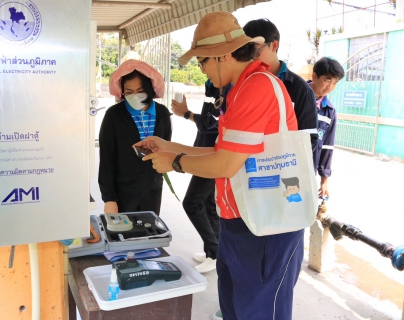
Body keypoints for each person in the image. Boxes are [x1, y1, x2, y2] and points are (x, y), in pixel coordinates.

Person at [134, 12, 309, 320]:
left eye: (202, 61)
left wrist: (175, 162)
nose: (201, 69)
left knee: (258, 312)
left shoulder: (257, 87)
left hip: (266, 226)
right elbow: (221, 152)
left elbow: (225, 164)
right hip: (239, 221)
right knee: (234, 309)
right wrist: (169, 146)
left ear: (223, 55)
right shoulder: (238, 89)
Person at [170, 80, 232, 273]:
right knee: (207, 204)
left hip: (213, 155)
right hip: (204, 151)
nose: (203, 69)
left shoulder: (229, 90)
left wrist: (186, 113)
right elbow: (207, 122)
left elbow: (210, 124)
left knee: (192, 202)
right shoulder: (215, 87)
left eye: (204, 62)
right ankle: (214, 252)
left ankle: (214, 252)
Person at [98, 60, 172, 215]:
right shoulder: (114, 116)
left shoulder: (162, 114)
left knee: (149, 234)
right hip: (123, 193)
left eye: (140, 91)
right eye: (129, 92)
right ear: (122, 92)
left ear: (150, 89)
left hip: (153, 190)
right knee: (124, 236)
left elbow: (167, 149)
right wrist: (109, 199)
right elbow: (106, 159)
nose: (135, 96)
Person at [243, 19, 318, 153]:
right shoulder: (243, 85)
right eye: (245, 52)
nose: (251, 58)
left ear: (274, 45)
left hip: (282, 168)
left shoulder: (301, 90)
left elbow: (309, 140)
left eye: (255, 50)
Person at [308, 57, 345, 199]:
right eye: (328, 80)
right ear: (315, 76)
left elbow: (327, 146)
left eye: (335, 82)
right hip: (285, 163)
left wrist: (324, 181)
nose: (330, 87)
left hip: (309, 170)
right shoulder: (295, 96)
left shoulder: (329, 111)